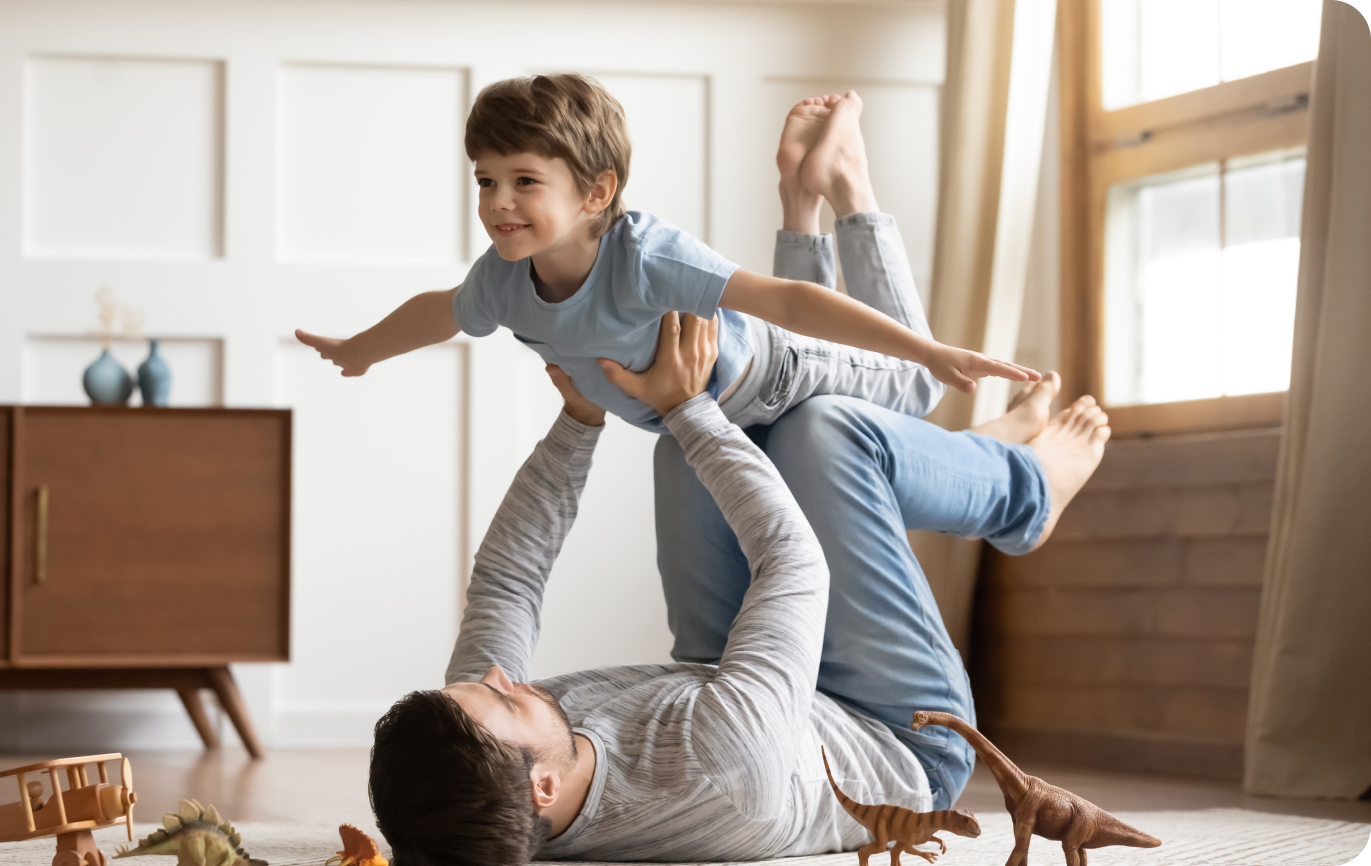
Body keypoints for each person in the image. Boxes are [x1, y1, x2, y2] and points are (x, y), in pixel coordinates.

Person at [366, 302, 1109, 866]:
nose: (503, 677)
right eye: (502, 697)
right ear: (543, 791)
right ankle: (1022, 492)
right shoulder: (721, 768)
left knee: (688, 451)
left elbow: (507, 582)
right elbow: (793, 563)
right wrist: (685, 407)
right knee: (821, 433)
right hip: (895, 733)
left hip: (730, 682)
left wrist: (578, 420)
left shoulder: (481, 760)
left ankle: (966, 453)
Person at [294, 75, 1040, 437]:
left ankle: (847, 185)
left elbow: (783, 302)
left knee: (917, 391)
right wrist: (363, 349)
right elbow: (443, 312)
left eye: (524, 182)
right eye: (486, 180)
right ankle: (802, 192)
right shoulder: (502, 281)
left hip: (774, 375)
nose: (497, 202)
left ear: (596, 192)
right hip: (718, 413)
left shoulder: (643, 255)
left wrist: (929, 349)